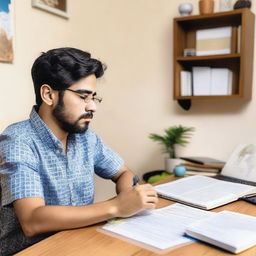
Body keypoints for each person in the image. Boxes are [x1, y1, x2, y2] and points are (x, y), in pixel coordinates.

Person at [0, 47, 158, 255]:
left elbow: (124, 172)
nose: (93, 107)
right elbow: (32, 220)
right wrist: (117, 207)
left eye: (94, 97)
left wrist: (130, 195)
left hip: (79, 243)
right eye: (83, 97)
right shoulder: (18, 140)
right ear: (49, 94)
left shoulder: (86, 137)